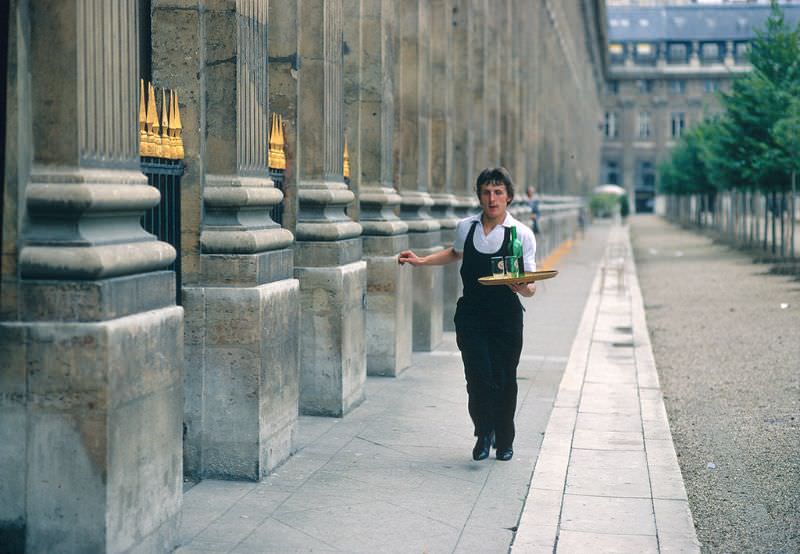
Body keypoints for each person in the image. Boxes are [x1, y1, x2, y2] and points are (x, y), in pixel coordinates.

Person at [398, 167, 536, 462]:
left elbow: (531, 286)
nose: (492, 198)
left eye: (498, 192)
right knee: (477, 377)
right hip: (472, 314)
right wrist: (422, 261)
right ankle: (483, 433)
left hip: (506, 318)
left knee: (504, 378)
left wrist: (521, 287)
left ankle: (504, 439)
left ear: (508, 197)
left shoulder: (521, 234)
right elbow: (455, 253)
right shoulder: (467, 227)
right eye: (486, 192)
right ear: (479, 196)